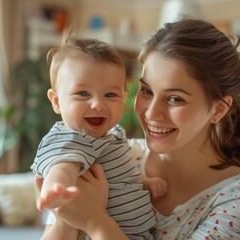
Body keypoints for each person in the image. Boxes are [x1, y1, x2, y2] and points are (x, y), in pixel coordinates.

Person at [37, 17, 240, 240]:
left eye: (175, 99)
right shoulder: (112, 152)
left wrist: (96, 222)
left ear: (218, 110)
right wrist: (64, 219)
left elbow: (91, 220)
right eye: (146, 91)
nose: (150, 113)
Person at [30, 30, 167, 240]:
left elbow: (115, 177)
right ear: (56, 101)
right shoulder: (70, 139)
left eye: (110, 95)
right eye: (82, 94)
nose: (97, 104)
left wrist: (143, 182)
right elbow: (63, 168)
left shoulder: (111, 137)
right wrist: (55, 189)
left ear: (123, 97)